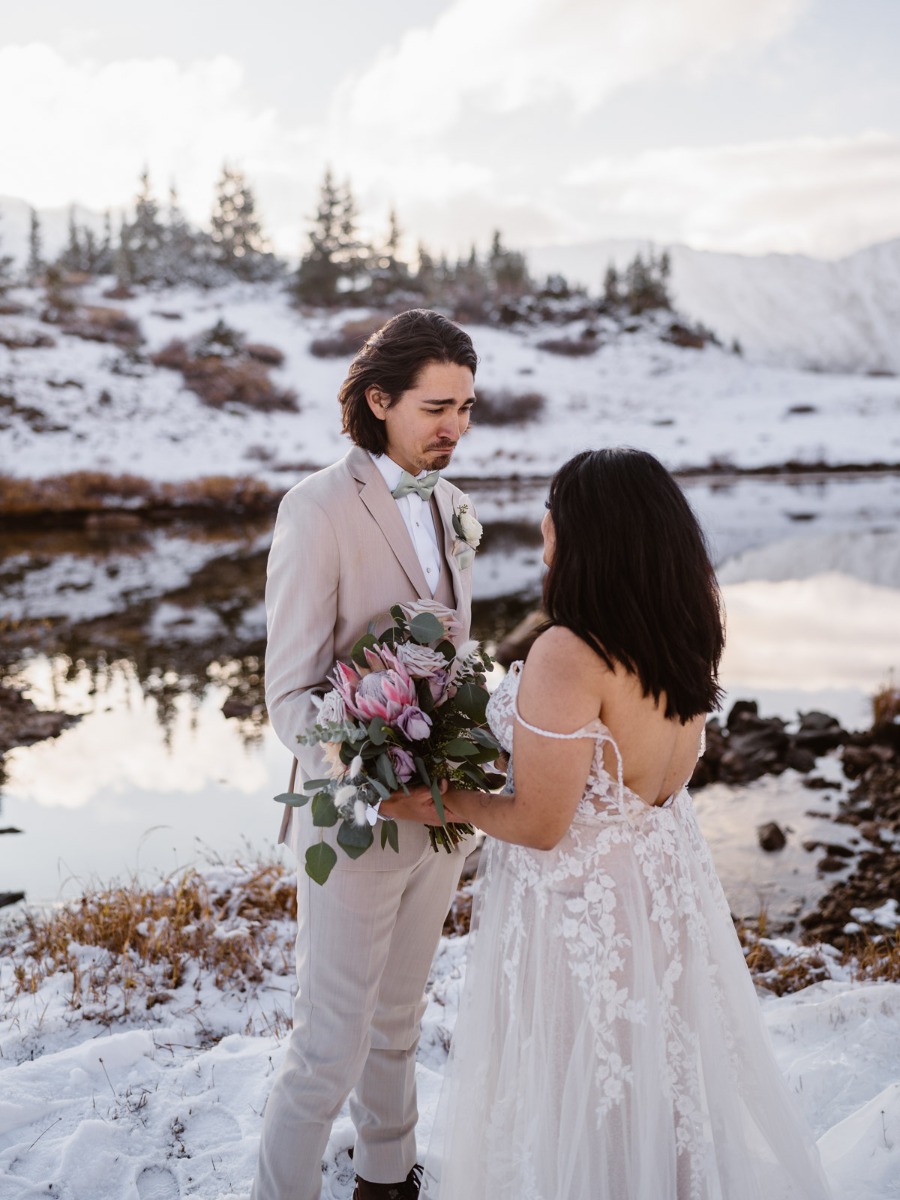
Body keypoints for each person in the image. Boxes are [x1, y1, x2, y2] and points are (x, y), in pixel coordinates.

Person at [386, 448, 833, 1200]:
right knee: (656, 1086)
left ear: (587, 533)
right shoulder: (680, 636)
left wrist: (447, 801)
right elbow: (617, 776)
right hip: (656, 892)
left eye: (554, 513)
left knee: (589, 1091)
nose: (542, 526)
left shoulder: (571, 653)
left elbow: (540, 823)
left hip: (584, 913)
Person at [253, 309, 479, 1200]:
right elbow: (289, 695)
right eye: (435, 406)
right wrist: (366, 764)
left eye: (465, 405)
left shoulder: (457, 508)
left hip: (445, 815)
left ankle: (388, 1178)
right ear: (379, 400)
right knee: (329, 1041)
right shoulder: (314, 510)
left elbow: (455, 656)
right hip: (353, 817)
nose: (454, 426)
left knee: (399, 1020)